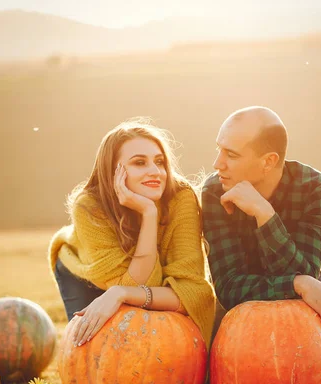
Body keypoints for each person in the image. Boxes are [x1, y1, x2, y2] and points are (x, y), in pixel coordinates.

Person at [49, 118, 215, 348]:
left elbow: (192, 292)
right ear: (113, 170)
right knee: (93, 353)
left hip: (129, 283)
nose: (155, 172)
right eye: (139, 163)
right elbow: (137, 284)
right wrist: (149, 215)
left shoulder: (180, 197)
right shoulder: (89, 206)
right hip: (87, 275)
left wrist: (148, 212)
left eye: (159, 162)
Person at [202, 106, 321, 341]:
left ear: (268, 161)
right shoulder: (214, 191)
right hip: (238, 318)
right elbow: (228, 288)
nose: (217, 164)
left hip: (302, 314)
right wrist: (297, 283)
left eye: (231, 155)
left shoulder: (315, 188)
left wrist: (264, 214)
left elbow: (308, 273)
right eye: (218, 149)